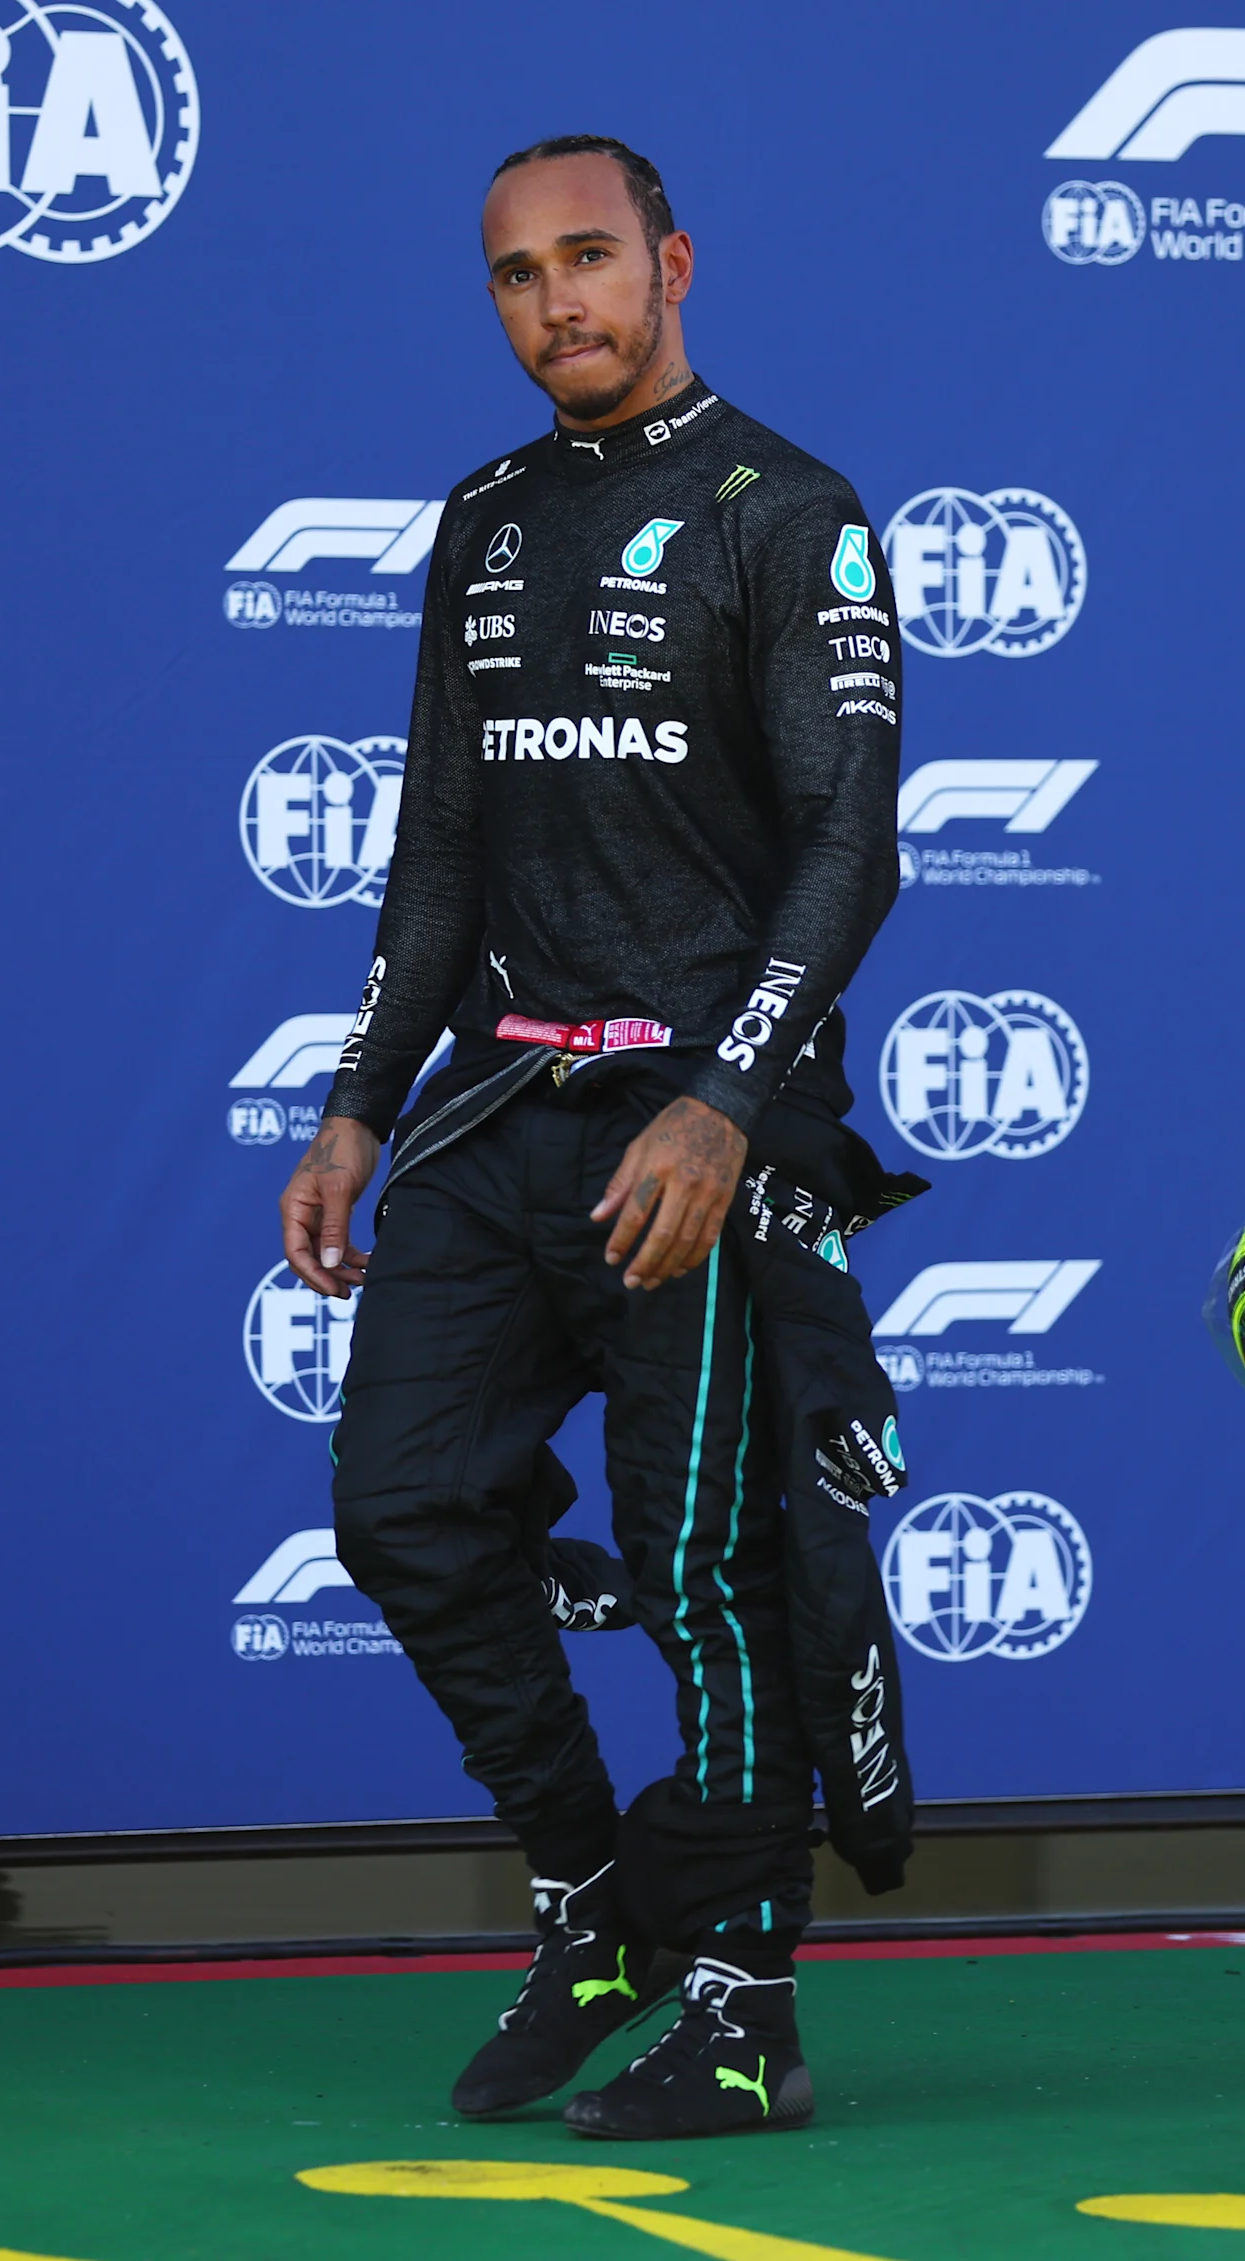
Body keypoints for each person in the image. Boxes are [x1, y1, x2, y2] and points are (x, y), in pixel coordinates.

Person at [276, 133, 917, 2142]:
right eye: (517, 274)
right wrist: (359, 1097)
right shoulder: (483, 519)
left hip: (697, 1121)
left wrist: (726, 1103)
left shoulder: (785, 511)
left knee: (709, 1564)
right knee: (402, 1506)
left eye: (590, 257)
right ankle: (596, 1896)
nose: (558, 300)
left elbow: (852, 844)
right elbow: (439, 849)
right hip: (502, 1102)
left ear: (672, 264)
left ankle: (743, 2000)